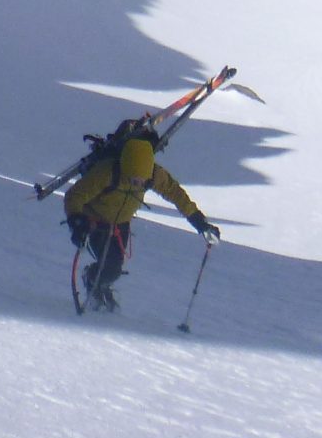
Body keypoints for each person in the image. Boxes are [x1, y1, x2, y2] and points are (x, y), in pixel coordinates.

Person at [61, 113, 219, 310]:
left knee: (113, 270)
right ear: (125, 167)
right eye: (134, 179)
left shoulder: (154, 174)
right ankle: (93, 283)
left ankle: (98, 285)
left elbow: (176, 194)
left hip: (121, 225)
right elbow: (75, 196)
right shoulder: (107, 172)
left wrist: (200, 223)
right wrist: (77, 222)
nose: (139, 183)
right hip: (94, 221)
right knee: (108, 266)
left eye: (142, 181)